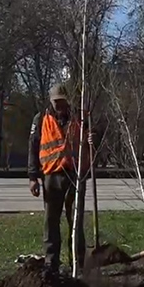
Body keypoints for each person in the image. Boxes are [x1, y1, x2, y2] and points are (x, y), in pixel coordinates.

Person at [27, 84, 91, 274]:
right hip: (51, 176)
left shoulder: (80, 118)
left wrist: (91, 140)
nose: (60, 105)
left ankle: (77, 263)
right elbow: (33, 147)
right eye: (56, 102)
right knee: (51, 221)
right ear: (51, 100)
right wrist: (33, 177)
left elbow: (91, 142)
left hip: (75, 175)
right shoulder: (40, 120)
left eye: (63, 101)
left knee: (76, 221)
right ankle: (51, 262)